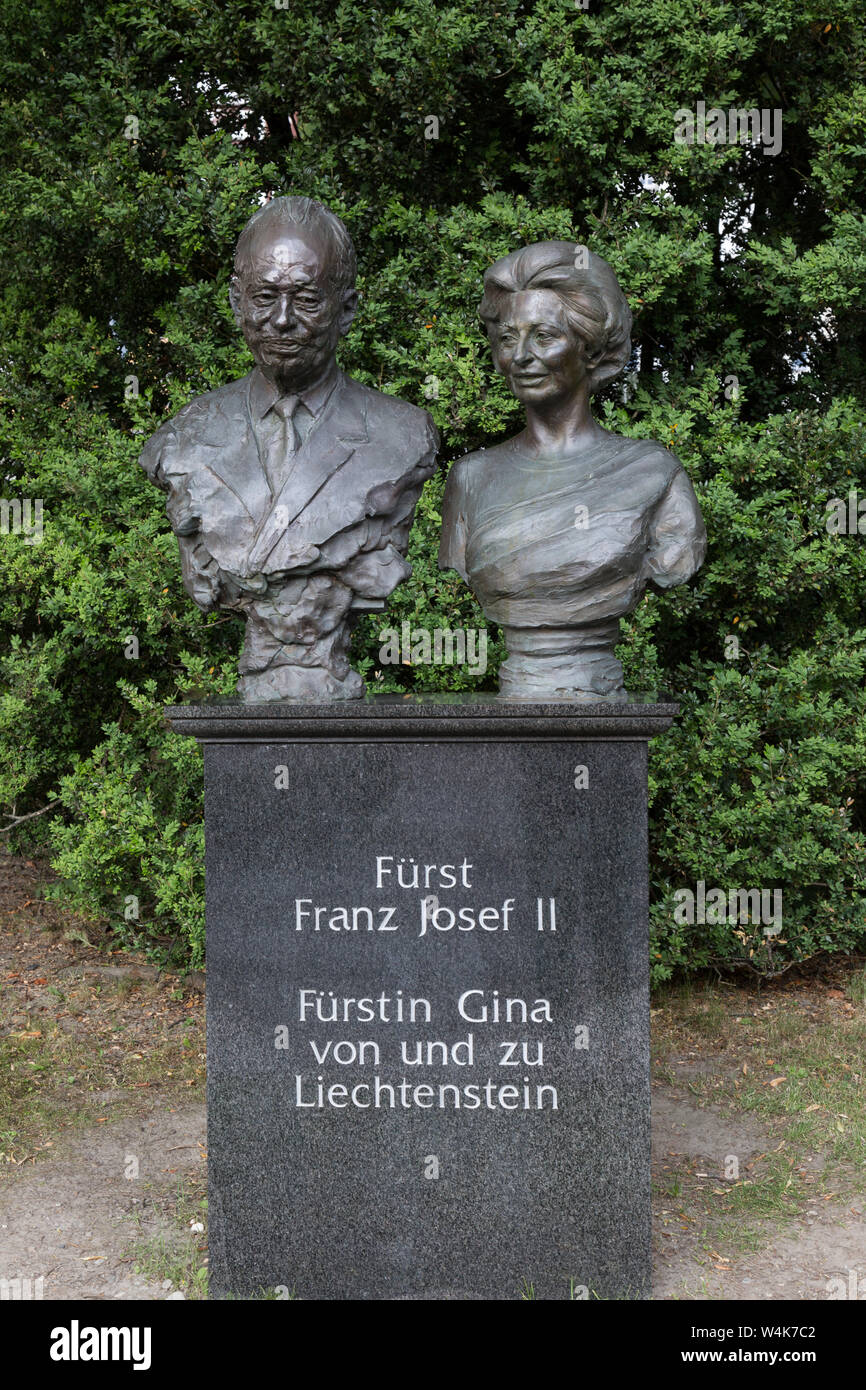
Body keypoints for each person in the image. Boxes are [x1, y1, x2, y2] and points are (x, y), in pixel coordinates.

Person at [141, 195, 438, 699]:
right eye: (263, 297)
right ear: (237, 303)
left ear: (346, 309)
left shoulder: (402, 435)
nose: (281, 320)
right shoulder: (183, 439)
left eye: (305, 298)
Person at [439, 240, 706, 699]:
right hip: (521, 677)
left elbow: (674, 559)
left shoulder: (652, 474)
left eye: (544, 336)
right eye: (507, 339)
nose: (520, 356)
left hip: (593, 677)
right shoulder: (470, 478)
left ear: (592, 350)